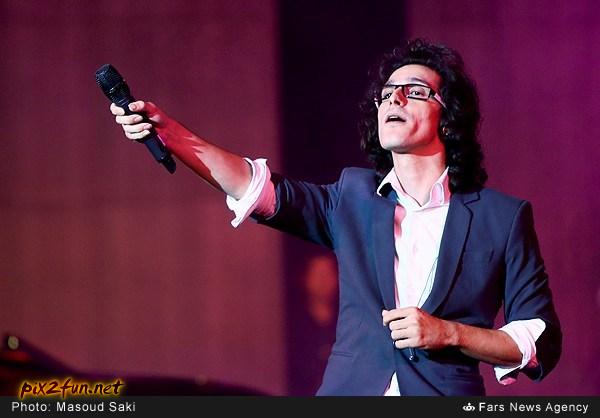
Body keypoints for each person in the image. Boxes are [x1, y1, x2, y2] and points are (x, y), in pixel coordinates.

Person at [109, 38, 562, 395]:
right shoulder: (354, 197)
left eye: (414, 92)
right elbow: (257, 187)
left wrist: (448, 334)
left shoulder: (501, 217)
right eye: (387, 94)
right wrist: (171, 134)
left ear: (448, 116)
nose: (395, 99)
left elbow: (538, 340)